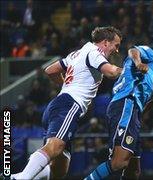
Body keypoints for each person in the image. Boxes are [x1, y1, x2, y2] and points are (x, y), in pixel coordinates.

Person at [13, 26, 122, 179]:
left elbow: (50, 70)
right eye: (116, 45)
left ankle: (23, 176)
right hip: (69, 105)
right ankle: (21, 177)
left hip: (61, 104)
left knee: (60, 168)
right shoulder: (95, 53)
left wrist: (67, 86)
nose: (116, 50)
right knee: (55, 147)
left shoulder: (77, 53)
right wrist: (128, 71)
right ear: (105, 43)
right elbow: (111, 72)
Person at [85, 45, 153, 180]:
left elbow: (137, 109)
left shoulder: (134, 77)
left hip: (130, 110)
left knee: (133, 170)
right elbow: (133, 50)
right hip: (125, 105)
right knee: (118, 162)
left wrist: (151, 103)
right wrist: (138, 62)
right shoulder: (146, 57)